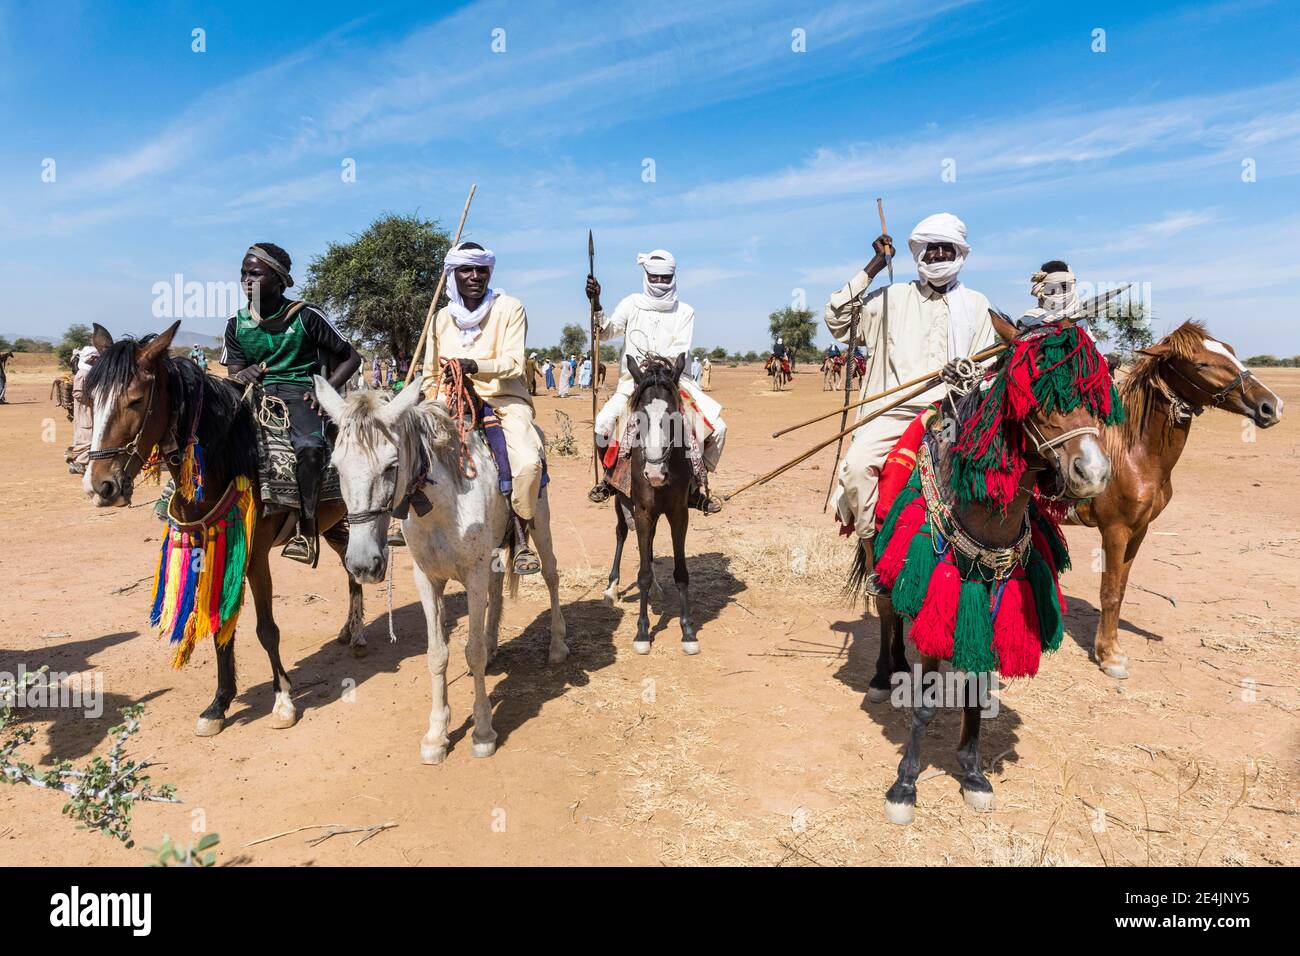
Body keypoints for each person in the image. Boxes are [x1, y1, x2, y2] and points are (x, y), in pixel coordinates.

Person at [823, 212, 1001, 542]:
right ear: (920, 254)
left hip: (950, 413)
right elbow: (838, 318)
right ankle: (872, 548)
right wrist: (875, 265)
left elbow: (985, 370)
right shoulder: (890, 299)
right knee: (857, 469)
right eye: (930, 248)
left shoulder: (976, 305)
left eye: (946, 248)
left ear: (958, 253)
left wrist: (964, 374)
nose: (938, 255)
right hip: (891, 411)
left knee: (992, 474)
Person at [221, 242, 360, 566]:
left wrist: (325, 389)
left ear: (279, 280)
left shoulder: (306, 317)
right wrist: (244, 373)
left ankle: (307, 529)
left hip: (299, 392)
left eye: (255, 273)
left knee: (310, 448)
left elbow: (351, 357)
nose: (246, 280)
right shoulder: (237, 323)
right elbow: (233, 370)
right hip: (255, 394)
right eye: (243, 273)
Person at [420, 241, 546, 574]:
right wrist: (428, 400)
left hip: (504, 400)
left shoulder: (510, 308)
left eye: (481, 269)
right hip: (448, 401)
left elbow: (515, 364)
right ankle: (410, 523)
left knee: (529, 463)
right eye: (466, 269)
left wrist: (472, 365)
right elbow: (430, 375)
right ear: (453, 274)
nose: (475, 276)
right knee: (408, 452)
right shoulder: (439, 320)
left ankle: (520, 536)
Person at [585, 249, 726, 513]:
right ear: (646, 275)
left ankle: (694, 486)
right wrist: (597, 304)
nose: (660, 283)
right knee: (603, 424)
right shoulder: (631, 304)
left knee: (718, 429)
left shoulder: (685, 311)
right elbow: (605, 333)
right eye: (655, 277)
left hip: (673, 383)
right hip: (634, 383)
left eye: (665, 278)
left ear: (673, 277)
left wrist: (658, 371)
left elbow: (679, 350)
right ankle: (609, 480)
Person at [67, 345, 99, 474]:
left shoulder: (88, 371)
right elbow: (78, 393)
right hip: (84, 410)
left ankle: (75, 461)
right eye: (97, 358)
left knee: (85, 435)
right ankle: (78, 462)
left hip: (88, 409)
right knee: (86, 436)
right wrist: (93, 399)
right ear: (91, 359)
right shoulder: (83, 374)